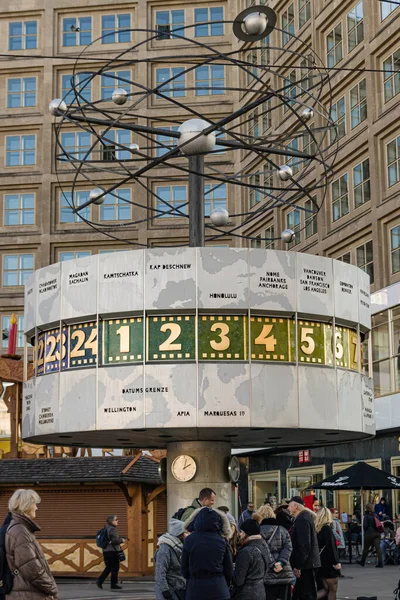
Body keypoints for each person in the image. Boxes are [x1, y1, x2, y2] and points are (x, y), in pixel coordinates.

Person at [5, 489, 58, 600]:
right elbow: (32, 569)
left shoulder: (19, 528)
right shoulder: (21, 532)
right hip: (30, 595)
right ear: (26, 505)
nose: (36, 507)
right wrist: (52, 588)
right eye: (34, 504)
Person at [182, 507, 233, 600]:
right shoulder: (222, 540)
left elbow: (184, 568)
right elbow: (228, 568)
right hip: (219, 588)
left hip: (195, 589)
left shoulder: (189, 540)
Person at [258, 504, 293, 600]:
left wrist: (273, 564)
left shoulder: (257, 531)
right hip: (284, 572)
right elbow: (288, 547)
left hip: (266, 573)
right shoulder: (283, 530)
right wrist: (281, 562)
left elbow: (262, 550)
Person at [288, 496, 321, 600]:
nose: (288, 508)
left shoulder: (302, 519)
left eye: (289, 505)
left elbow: (304, 545)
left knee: (307, 594)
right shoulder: (302, 518)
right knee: (301, 593)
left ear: (296, 506)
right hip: (307, 563)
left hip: (307, 565)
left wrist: (298, 565)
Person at [231, 519, 271, 600]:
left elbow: (238, 580)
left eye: (241, 531)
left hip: (245, 595)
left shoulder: (246, 551)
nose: (240, 534)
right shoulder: (263, 546)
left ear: (247, 533)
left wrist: (231, 569)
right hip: (260, 592)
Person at [155, 518, 187, 600]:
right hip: (168, 592)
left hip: (178, 590)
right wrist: (165, 592)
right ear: (179, 534)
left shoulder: (180, 547)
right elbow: (160, 573)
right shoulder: (165, 549)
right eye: (185, 532)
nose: (188, 535)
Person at [315, 508, 341, 600]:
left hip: (320, 562)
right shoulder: (327, 529)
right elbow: (331, 547)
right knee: (332, 589)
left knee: (325, 589)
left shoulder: (317, 529)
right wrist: (336, 562)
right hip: (329, 564)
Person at [96, 514, 126, 590]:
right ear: (111, 521)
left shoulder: (105, 528)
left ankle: (100, 581)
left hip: (105, 551)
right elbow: (115, 541)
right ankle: (114, 584)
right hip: (113, 551)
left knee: (109, 567)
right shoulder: (112, 529)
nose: (118, 521)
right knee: (115, 568)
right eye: (116, 520)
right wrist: (122, 540)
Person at [356, 503, 383, 568]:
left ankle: (362, 561)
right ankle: (380, 562)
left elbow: (365, 526)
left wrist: (366, 531)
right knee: (378, 548)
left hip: (369, 533)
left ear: (366, 508)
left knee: (366, 548)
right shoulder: (375, 515)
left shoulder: (366, 516)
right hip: (377, 533)